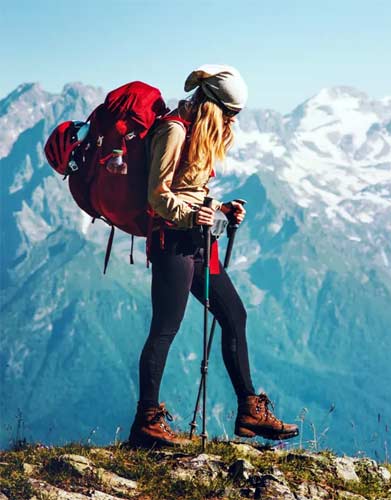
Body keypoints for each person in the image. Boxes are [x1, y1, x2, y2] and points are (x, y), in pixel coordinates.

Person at [128, 65, 299, 448]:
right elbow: (156, 195)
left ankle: (250, 410)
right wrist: (193, 215)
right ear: (212, 107)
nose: (231, 123)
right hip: (172, 243)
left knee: (234, 315)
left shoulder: (198, 133)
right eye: (229, 115)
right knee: (164, 329)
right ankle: (146, 422)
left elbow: (188, 188)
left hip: (199, 241)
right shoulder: (173, 130)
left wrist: (220, 208)